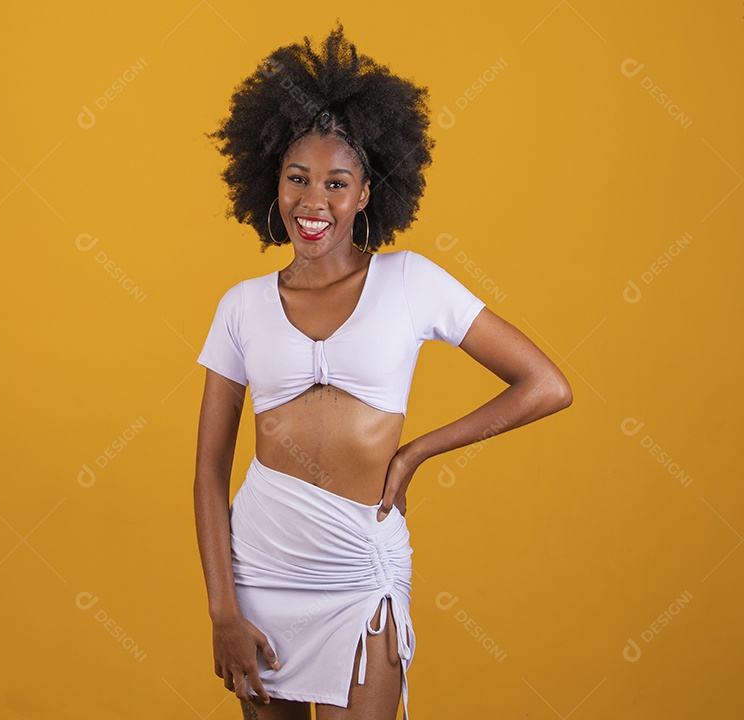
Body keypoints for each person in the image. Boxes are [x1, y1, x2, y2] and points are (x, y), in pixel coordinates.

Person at [192, 24, 573, 720]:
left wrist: (419, 452)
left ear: (367, 193)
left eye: (337, 183)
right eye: (297, 179)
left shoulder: (411, 281)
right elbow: (208, 470)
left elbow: (547, 385)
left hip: (356, 570)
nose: (314, 202)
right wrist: (223, 610)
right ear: (271, 182)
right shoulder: (241, 305)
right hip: (260, 570)